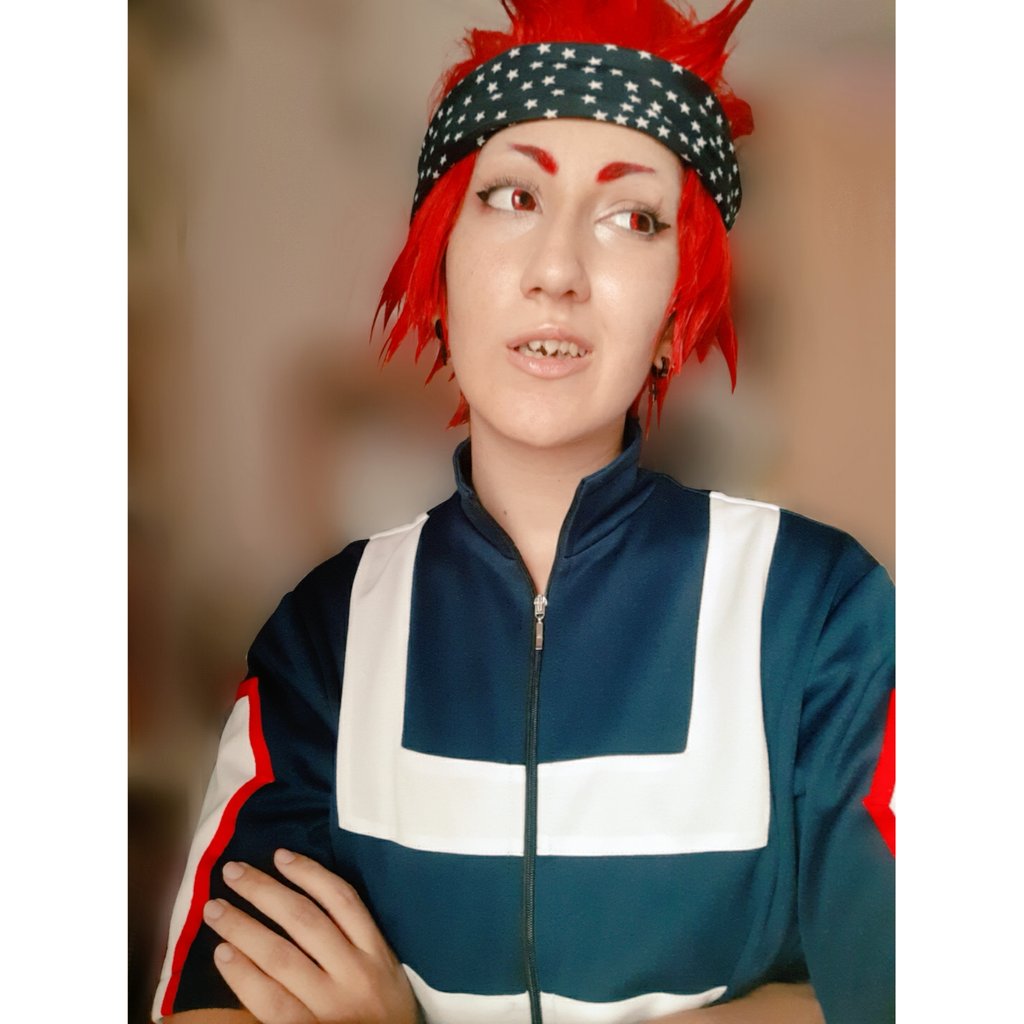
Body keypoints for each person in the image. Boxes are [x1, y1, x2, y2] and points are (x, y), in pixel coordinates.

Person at [152, 1, 895, 1021]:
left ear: (675, 315)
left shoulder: (818, 615)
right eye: (512, 197)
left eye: (632, 218)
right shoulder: (326, 638)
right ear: (441, 269)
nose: (556, 272)